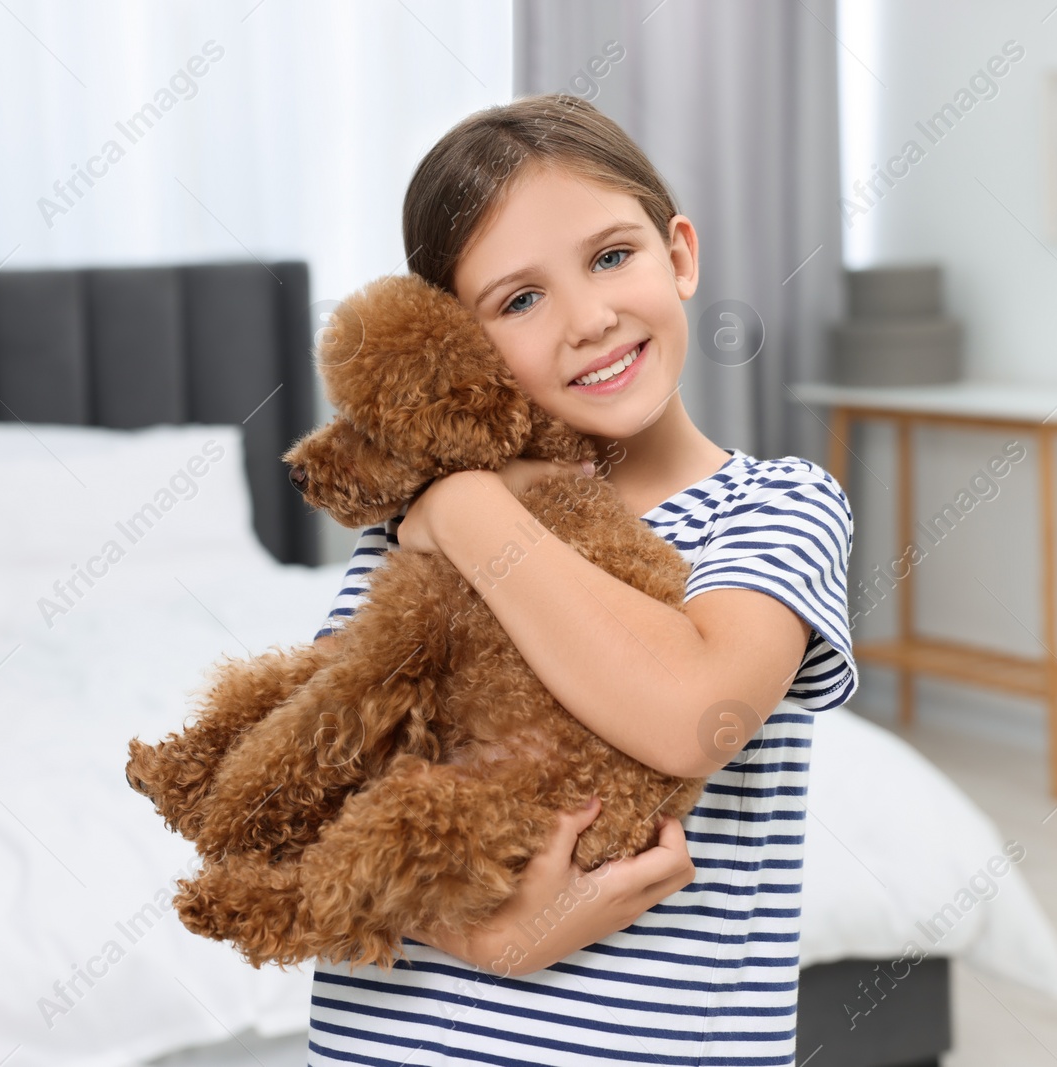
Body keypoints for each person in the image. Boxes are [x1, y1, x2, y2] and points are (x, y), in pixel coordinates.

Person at [303, 92, 857, 1066]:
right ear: (459, 347)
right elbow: (310, 806)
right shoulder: (406, 536)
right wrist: (487, 937)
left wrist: (472, 510)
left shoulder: (775, 506)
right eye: (518, 299)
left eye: (611, 256)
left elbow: (692, 711)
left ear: (678, 253)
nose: (589, 318)